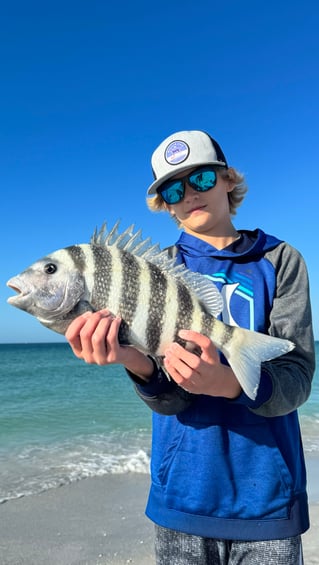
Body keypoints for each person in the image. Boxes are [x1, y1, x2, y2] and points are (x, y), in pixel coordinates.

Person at [65, 130, 315, 564]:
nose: (188, 195)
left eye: (200, 179)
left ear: (228, 180)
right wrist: (133, 361)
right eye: (173, 189)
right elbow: (170, 400)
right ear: (164, 202)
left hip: (269, 501)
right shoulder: (157, 269)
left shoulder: (281, 260)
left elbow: (296, 378)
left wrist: (230, 384)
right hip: (182, 497)